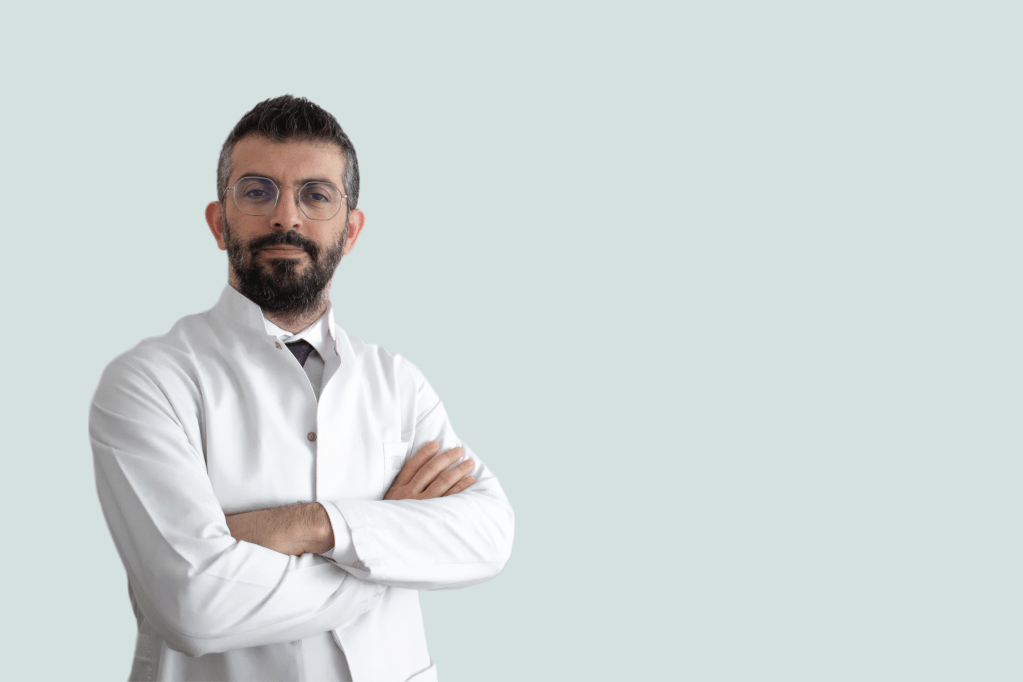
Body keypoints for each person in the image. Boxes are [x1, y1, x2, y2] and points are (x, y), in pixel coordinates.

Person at [89, 95, 514, 682]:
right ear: (218, 222)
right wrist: (386, 553)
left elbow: (489, 535)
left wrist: (312, 525)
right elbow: (194, 606)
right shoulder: (149, 383)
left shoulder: (398, 383)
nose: (286, 217)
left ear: (351, 230)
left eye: (316, 195)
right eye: (257, 191)